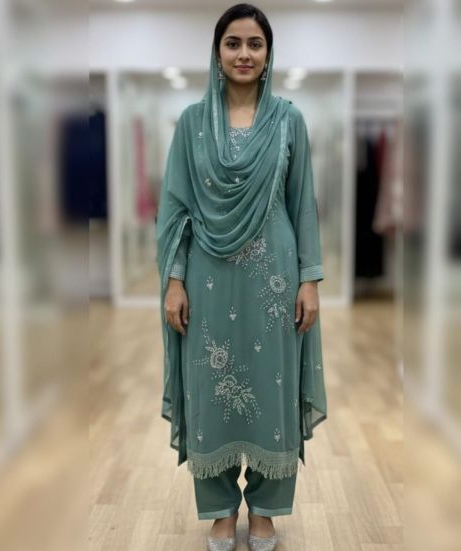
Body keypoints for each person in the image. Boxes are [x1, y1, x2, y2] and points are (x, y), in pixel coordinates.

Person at [156, 4, 328, 550]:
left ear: (268, 54)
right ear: (217, 53)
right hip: (206, 274)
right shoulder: (191, 123)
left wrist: (309, 280)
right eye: (233, 43)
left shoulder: (289, 121)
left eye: (255, 43)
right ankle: (221, 510)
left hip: (274, 278)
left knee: (273, 388)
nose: (244, 54)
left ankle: (266, 509)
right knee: (210, 387)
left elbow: (303, 204)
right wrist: (174, 280)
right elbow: (176, 209)